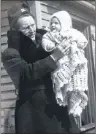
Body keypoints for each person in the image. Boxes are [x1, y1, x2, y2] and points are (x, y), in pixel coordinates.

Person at [1, 3, 75, 133]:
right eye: (25, 28)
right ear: (16, 30)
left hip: (55, 103)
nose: (32, 30)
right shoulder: (10, 53)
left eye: (32, 25)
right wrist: (53, 58)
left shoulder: (46, 40)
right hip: (33, 111)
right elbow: (25, 74)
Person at [42, 11, 88, 117]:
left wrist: (75, 44)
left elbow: (83, 41)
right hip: (61, 63)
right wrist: (54, 46)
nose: (53, 25)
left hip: (74, 62)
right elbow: (45, 43)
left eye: (56, 23)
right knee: (62, 83)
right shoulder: (48, 35)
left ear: (64, 23)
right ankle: (66, 102)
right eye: (51, 23)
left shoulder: (72, 32)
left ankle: (77, 103)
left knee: (75, 83)